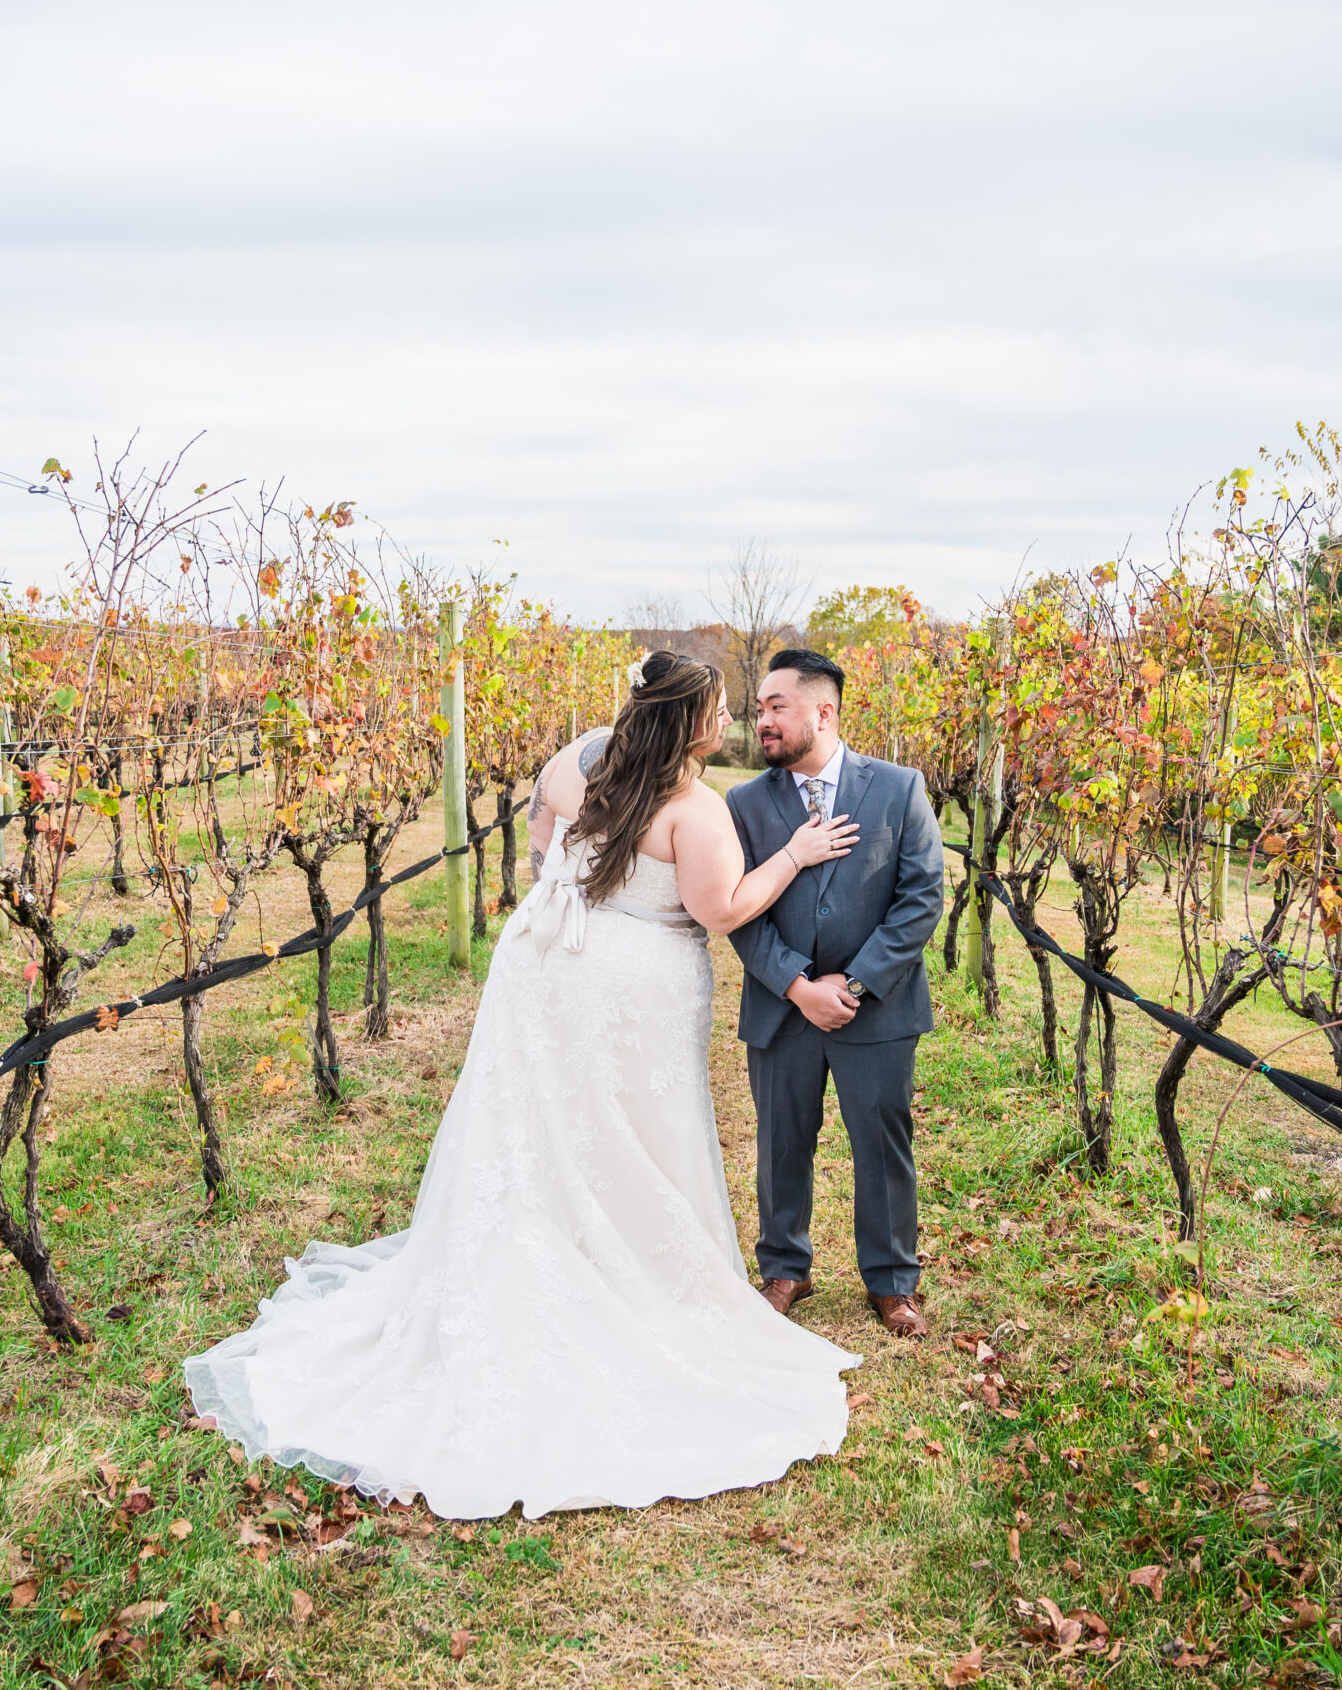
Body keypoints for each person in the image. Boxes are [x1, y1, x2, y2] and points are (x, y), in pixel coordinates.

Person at [183, 651, 863, 1519]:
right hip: (632, 984)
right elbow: (721, 908)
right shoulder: (695, 807)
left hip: (550, 964)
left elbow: (544, 833)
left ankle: (537, 1249)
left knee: (539, 1124)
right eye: (722, 709)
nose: (729, 722)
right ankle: (622, 1273)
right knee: (627, 1129)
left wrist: (564, 888)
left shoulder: (582, 761)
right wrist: (797, 856)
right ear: (691, 722)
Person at [725, 648, 946, 1339]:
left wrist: (849, 987)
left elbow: (920, 899)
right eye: (759, 708)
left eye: (775, 707)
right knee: (782, 1140)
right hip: (781, 1010)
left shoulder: (899, 789)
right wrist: (796, 986)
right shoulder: (743, 804)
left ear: (823, 713)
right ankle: (785, 1268)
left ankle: (891, 1281)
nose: (762, 719)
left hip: (874, 1009)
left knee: (882, 1145)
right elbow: (737, 911)